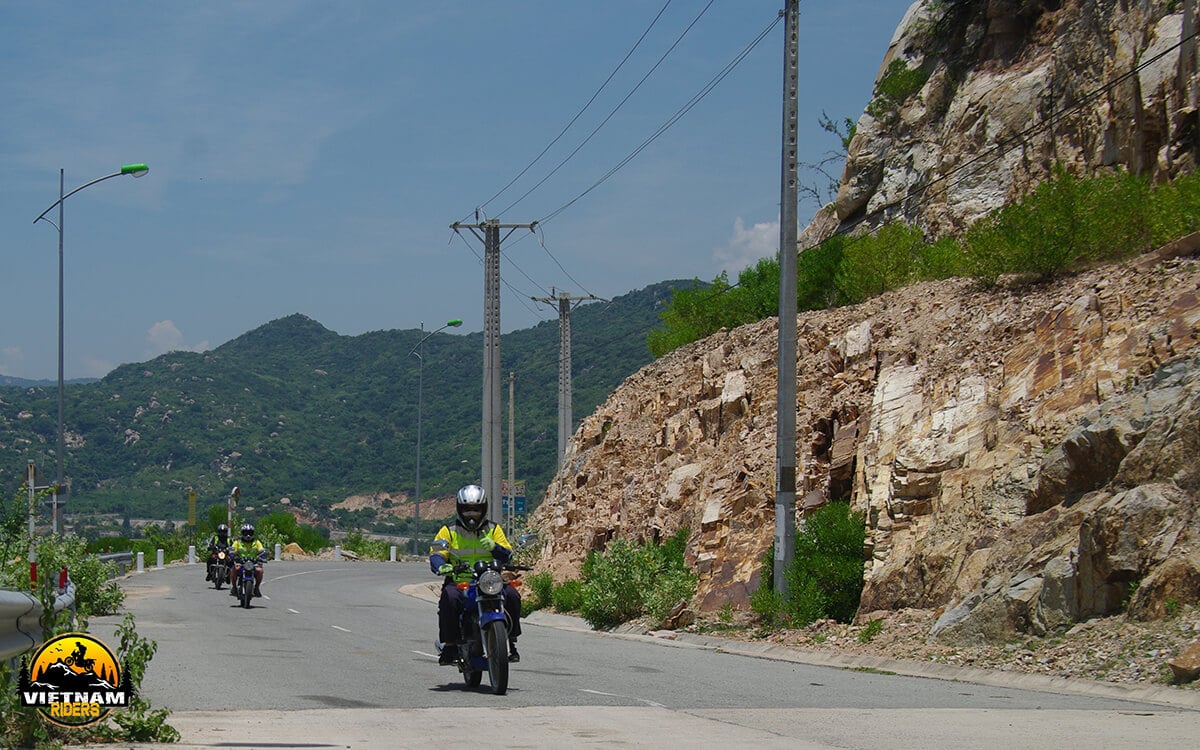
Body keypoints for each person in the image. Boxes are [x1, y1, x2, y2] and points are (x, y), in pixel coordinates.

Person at [429, 484, 522, 666]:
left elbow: (508, 554)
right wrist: (441, 566)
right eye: (467, 510)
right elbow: (436, 552)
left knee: (512, 595)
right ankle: (449, 645)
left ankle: (510, 640)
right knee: (449, 598)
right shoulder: (449, 531)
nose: (471, 515)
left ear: (484, 509)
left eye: (476, 510)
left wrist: (495, 548)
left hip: (489, 581)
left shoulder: (494, 530)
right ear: (459, 509)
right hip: (460, 581)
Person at [230, 522, 267, 597]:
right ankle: (234, 587)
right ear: (242, 533)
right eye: (246, 533)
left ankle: (256, 588)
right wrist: (233, 555)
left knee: (260, 571)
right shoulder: (237, 542)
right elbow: (232, 550)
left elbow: (262, 550)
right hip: (241, 562)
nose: (248, 535)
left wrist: (263, 556)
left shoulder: (256, 542)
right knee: (233, 570)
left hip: (253, 563)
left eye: (250, 533)